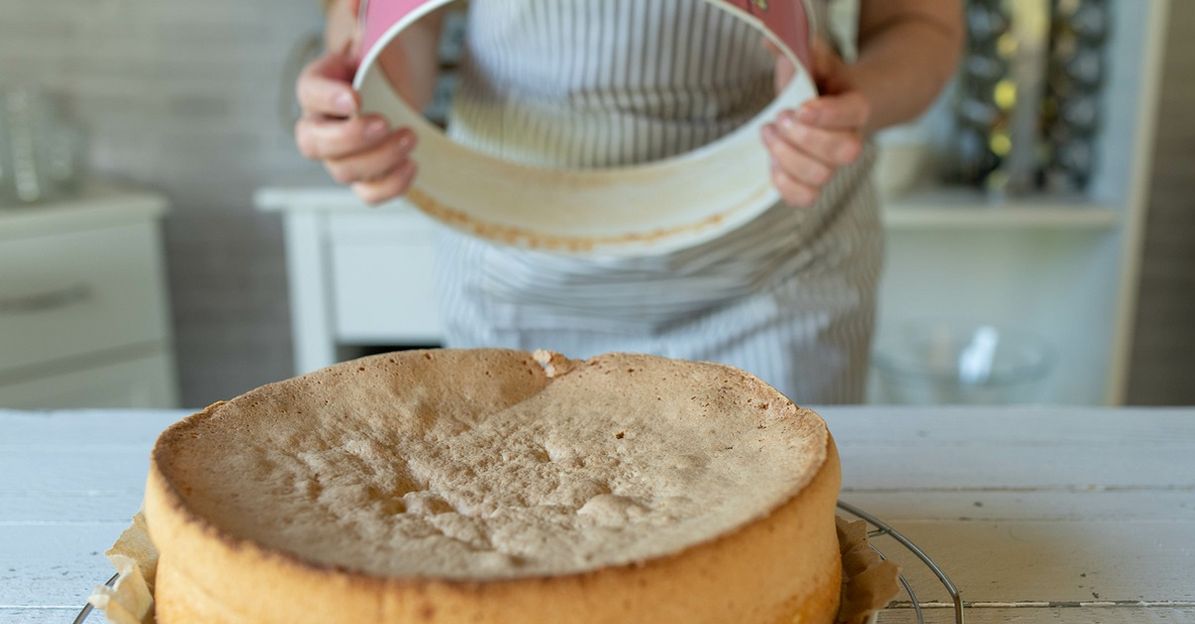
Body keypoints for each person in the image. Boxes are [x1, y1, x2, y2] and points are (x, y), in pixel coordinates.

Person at [296, 0, 962, 403]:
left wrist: (850, 96)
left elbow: (916, 19)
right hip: (514, 251)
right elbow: (396, 22)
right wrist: (368, 94)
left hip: (772, 269)